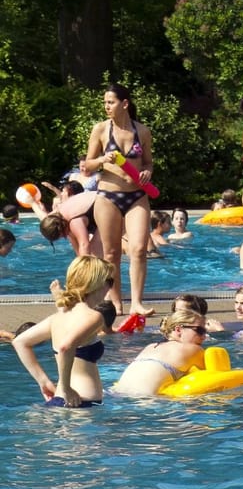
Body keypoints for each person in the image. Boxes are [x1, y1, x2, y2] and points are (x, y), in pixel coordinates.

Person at [85, 83, 158, 316]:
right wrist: (102, 160)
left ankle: (137, 302)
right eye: (105, 102)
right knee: (111, 253)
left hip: (137, 195)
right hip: (108, 196)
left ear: (124, 104)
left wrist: (147, 172)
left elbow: (148, 162)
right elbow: (86, 165)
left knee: (138, 249)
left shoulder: (142, 132)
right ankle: (115, 301)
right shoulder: (100, 130)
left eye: (111, 102)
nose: (107, 106)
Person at [13, 256, 114, 407]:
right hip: (82, 405)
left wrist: (43, 381)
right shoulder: (95, 317)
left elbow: (20, 342)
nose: (110, 288)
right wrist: (67, 388)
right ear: (97, 283)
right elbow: (65, 347)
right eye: (110, 282)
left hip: (59, 401)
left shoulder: (58, 317)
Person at [112, 309, 208, 397]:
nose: (204, 336)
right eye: (200, 331)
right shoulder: (193, 349)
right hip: (147, 403)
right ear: (178, 329)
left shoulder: (150, 347)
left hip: (116, 394)